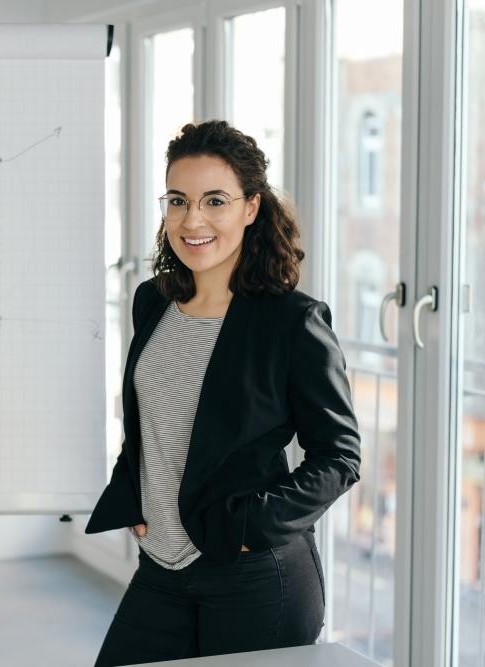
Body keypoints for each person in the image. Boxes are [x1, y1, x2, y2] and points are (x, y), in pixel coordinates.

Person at [86, 120, 361, 666]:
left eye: (215, 200)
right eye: (178, 201)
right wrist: (134, 493)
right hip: (160, 568)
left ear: (251, 207)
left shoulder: (292, 322)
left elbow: (339, 457)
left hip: (253, 574)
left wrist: (249, 528)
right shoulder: (153, 301)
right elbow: (150, 421)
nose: (192, 220)